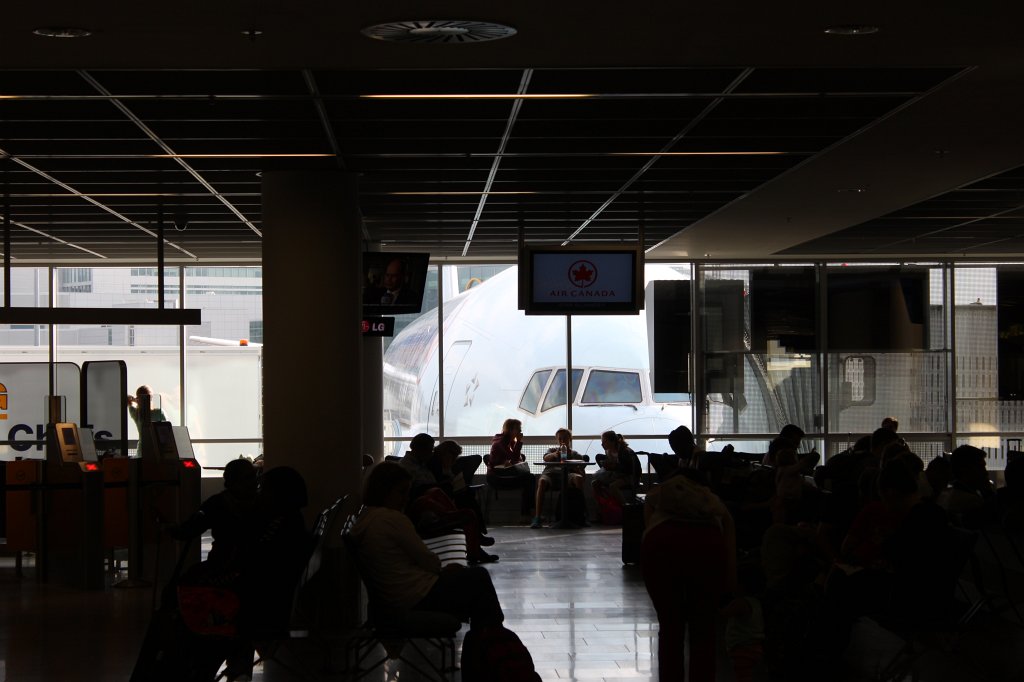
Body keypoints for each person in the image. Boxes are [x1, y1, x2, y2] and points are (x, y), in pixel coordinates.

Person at [351, 462, 505, 631]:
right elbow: (427, 560)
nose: (406, 498)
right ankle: (493, 636)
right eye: (401, 492)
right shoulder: (392, 519)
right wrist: (442, 570)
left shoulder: (367, 518)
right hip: (418, 595)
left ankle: (487, 637)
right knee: (479, 578)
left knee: (473, 584)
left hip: (399, 596)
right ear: (384, 490)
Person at [641, 466, 737, 681]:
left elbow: (648, 523)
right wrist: (731, 580)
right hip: (708, 546)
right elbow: (728, 528)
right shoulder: (710, 499)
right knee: (703, 629)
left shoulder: (661, 493)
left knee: (670, 626)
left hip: (660, 544)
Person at [487, 418, 538, 524]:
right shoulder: (500, 442)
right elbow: (514, 458)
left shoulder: (508, 442)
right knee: (529, 479)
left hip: (503, 475)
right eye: (518, 429)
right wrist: (519, 442)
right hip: (497, 478)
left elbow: (516, 459)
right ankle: (529, 513)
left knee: (529, 479)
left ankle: (529, 514)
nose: (520, 431)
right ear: (510, 430)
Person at [535, 428, 586, 528]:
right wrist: (555, 454)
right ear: (557, 440)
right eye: (560, 439)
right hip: (551, 474)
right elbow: (545, 458)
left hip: (568, 475)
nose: (562, 441)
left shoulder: (576, 454)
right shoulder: (552, 451)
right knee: (542, 481)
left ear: (570, 439)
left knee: (578, 478)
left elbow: (582, 473)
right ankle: (537, 517)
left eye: (565, 438)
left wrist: (574, 467)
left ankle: (582, 515)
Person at [592, 430, 640, 506]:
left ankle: (624, 507)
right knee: (595, 483)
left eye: (604, 442)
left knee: (613, 486)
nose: (602, 444)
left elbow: (628, 470)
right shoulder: (609, 451)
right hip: (617, 474)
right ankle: (603, 506)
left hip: (630, 476)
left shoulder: (624, 451)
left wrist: (613, 466)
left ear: (612, 442)